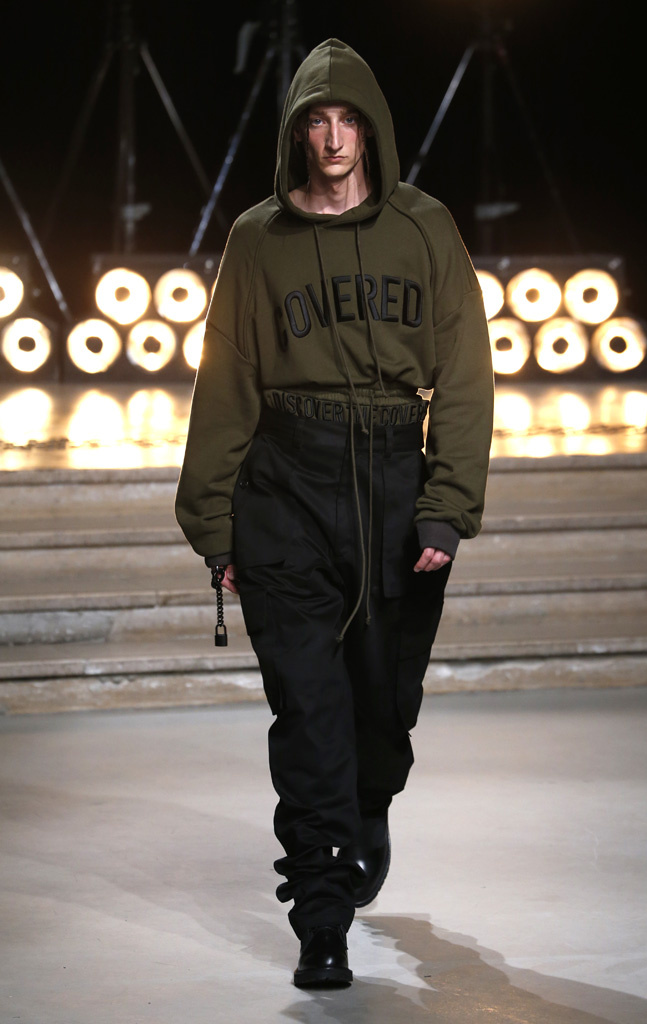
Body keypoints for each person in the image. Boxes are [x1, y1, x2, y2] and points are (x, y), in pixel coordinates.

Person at [176, 38, 493, 988]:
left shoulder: (424, 227)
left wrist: (446, 505)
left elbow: (465, 372)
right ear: (295, 133)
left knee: (382, 710)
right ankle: (320, 914)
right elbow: (225, 378)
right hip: (285, 483)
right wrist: (213, 522)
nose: (332, 137)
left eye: (348, 119)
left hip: (393, 483)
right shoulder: (256, 238)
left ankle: (369, 807)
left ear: (372, 129)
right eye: (315, 120)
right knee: (308, 713)